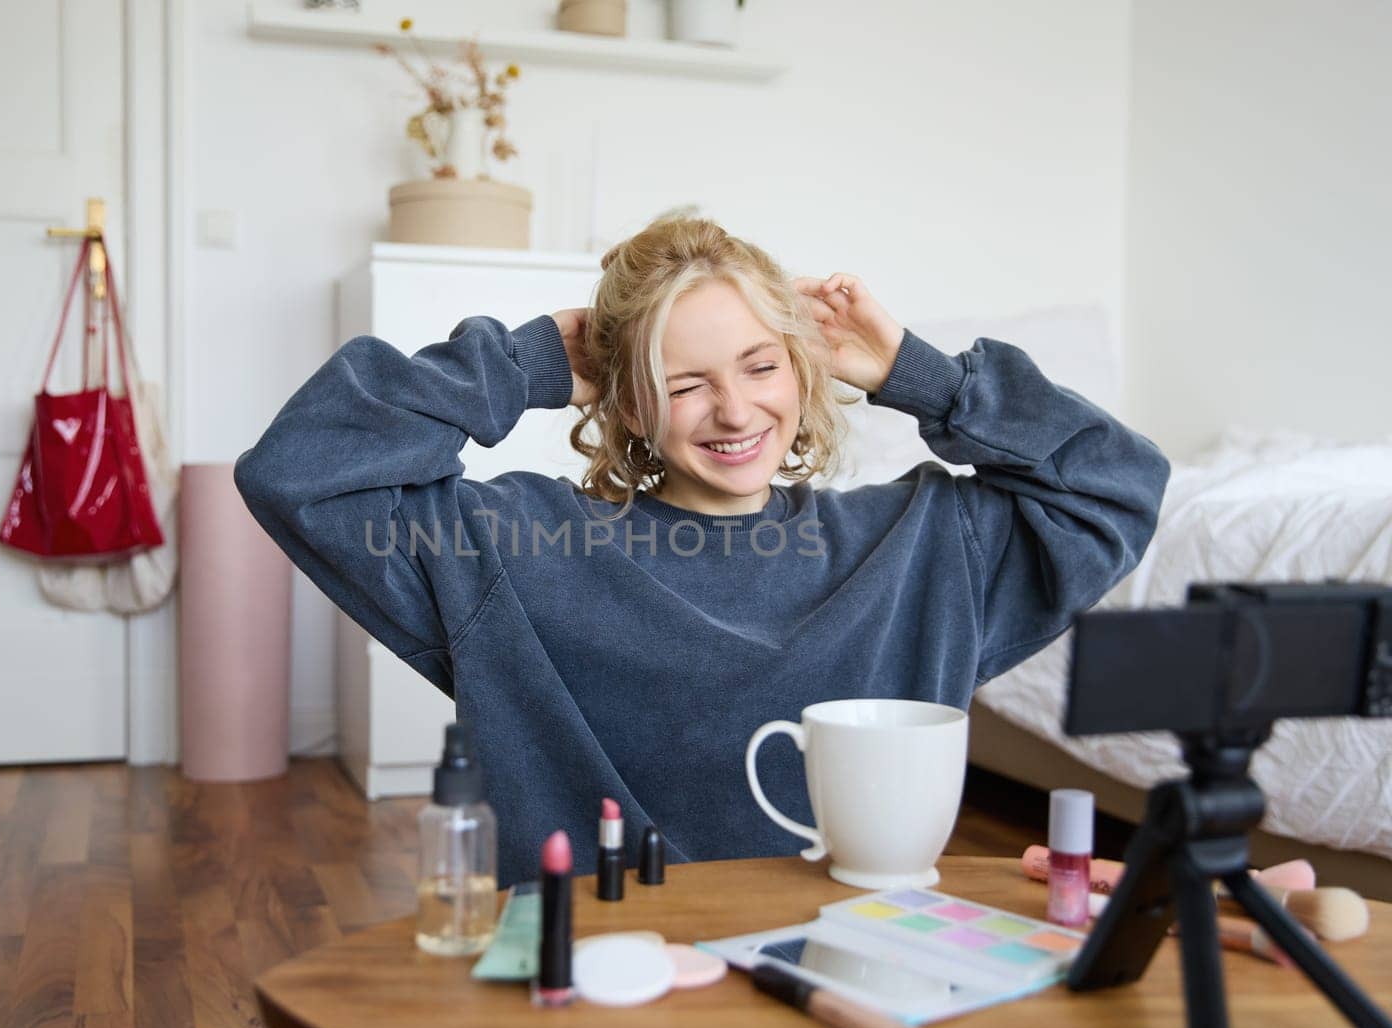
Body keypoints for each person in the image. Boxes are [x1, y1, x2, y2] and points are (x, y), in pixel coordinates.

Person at [235, 215, 1170, 887]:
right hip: (609, 965)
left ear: (805, 373)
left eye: (761, 366)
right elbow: (301, 470)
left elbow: (1116, 485)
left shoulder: (920, 549)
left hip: (855, 957)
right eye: (684, 383)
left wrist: (919, 373)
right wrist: (528, 362)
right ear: (629, 404)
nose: (733, 410)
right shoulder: (519, 550)